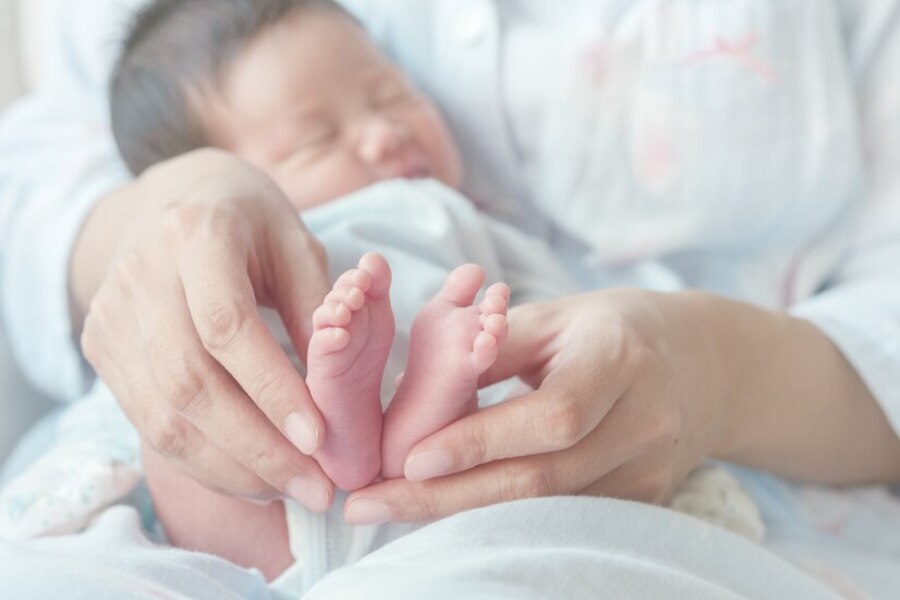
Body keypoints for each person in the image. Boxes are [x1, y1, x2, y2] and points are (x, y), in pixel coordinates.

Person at [1, 0, 899, 596]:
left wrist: (720, 364)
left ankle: (396, 406)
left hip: (525, 471)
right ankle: (380, 408)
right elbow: (41, 154)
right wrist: (153, 213)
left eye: (391, 94)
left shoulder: (446, 216)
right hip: (221, 415)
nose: (385, 133)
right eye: (316, 136)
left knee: (433, 315)